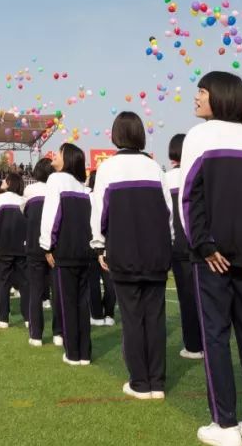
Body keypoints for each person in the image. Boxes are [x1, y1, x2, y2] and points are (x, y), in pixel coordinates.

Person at [181, 75, 242, 446]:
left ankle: (225, 426)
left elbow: (190, 196)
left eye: (202, 92)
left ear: (218, 96)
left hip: (215, 257)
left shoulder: (198, 137)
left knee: (217, 337)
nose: (196, 98)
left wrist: (204, 245)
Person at [90, 111, 171, 402]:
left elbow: (99, 212)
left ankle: (140, 382)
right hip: (156, 253)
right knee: (155, 318)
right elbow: (168, 213)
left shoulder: (108, 169)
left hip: (123, 252)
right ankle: (157, 383)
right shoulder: (154, 168)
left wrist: (100, 246)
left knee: (133, 318)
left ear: (115, 135)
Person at [40, 143, 93, 365]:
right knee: (82, 304)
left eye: (59, 152)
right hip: (85, 251)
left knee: (67, 303)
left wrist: (46, 245)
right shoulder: (85, 188)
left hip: (65, 250)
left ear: (68, 158)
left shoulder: (56, 180)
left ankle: (72, 353)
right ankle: (85, 353)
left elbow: (51, 214)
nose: (55, 154)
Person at [164, 133, 203, 361]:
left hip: (178, 247)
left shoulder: (166, 178)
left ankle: (193, 345)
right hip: (201, 244)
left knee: (187, 297)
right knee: (205, 296)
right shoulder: (198, 172)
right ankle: (209, 342)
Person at [0, 172, 28, 329]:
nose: (3, 182)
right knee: (25, 284)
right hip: (22, 247)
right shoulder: (24, 200)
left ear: (10, 183)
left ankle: (3, 318)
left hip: (3, 247)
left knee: (3, 283)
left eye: (5, 180)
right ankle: (29, 317)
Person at [23, 158, 55, 345]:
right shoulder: (58, 188)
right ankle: (59, 333)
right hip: (55, 246)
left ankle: (36, 335)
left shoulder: (30, 190)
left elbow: (25, 213)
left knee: (35, 291)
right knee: (56, 291)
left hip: (35, 246)